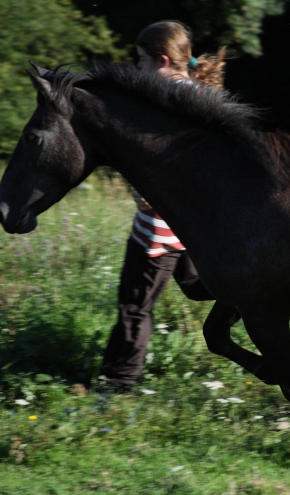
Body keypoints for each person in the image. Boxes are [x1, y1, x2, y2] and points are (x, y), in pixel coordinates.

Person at [97, 21, 230, 391]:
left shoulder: (168, 102)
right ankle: (245, 299)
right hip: (192, 224)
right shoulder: (197, 94)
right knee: (197, 284)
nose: (136, 69)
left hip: (160, 226)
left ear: (162, 60)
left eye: (140, 61)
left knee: (134, 305)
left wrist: (154, 191)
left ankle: (118, 381)